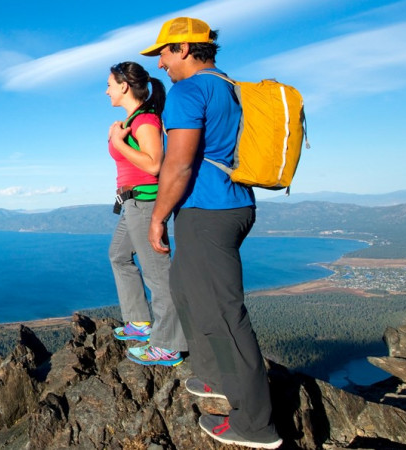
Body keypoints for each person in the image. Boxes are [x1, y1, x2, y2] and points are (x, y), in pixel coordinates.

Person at [140, 17, 283, 449]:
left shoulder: (188, 91)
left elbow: (179, 164)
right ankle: (216, 378)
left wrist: (158, 216)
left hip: (207, 212)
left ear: (184, 48)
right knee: (185, 290)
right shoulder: (227, 86)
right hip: (231, 207)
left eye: (163, 53)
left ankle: (255, 425)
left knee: (224, 315)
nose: (160, 63)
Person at [103, 61, 187, 366]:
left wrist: (118, 142)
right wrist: (119, 136)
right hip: (131, 204)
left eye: (110, 84)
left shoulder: (145, 120)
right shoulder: (134, 120)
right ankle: (139, 322)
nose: (107, 90)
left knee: (158, 274)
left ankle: (169, 345)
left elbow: (154, 164)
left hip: (145, 204)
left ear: (124, 86)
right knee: (118, 255)